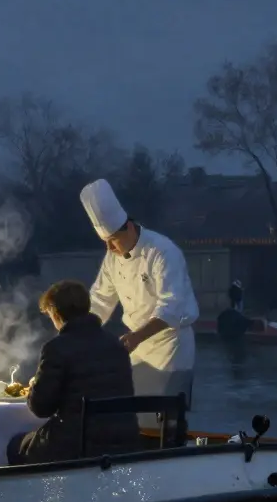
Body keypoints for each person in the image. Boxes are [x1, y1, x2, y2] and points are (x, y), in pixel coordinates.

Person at [80, 178, 200, 422]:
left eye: (112, 240)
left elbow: (171, 308)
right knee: (131, 415)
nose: (110, 248)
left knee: (165, 419)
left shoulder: (162, 251)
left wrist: (135, 337)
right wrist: (78, 331)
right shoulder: (112, 257)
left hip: (170, 347)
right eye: (105, 242)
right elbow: (100, 300)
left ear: (129, 227)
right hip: (137, 347)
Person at [6, 280, 140, 464]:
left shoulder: (56, 348)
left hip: (76, 444)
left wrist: (35, 385)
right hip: (123, 441)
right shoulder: (115, 345)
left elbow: (41, 408)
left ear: (55, 312)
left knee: (16, 445)